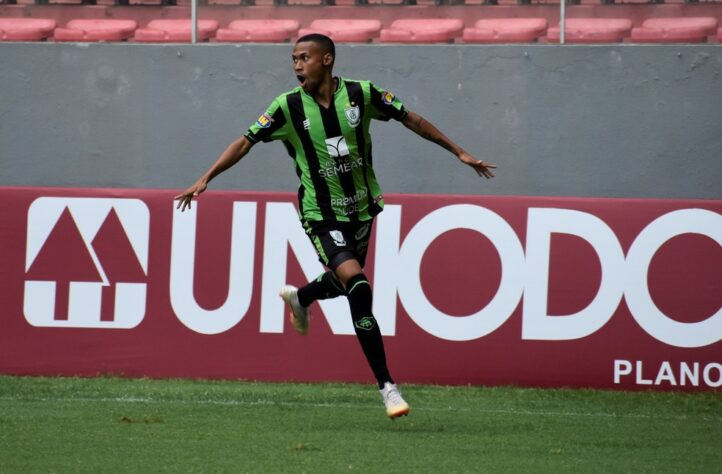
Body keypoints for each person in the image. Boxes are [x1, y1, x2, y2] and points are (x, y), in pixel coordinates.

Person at [175, 33, 496, 420]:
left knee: (345, 281)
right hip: (320, 213)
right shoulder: (287, 106)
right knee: (358, 286)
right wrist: (206, 176)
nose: (296, 66)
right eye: (293, 59)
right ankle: (387, 387)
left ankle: (302, 297)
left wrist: (458, 150)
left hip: (360, 210)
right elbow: (245, 142)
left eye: (304, 58)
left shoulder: (362, 94)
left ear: (326, 60)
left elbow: (412, 118)